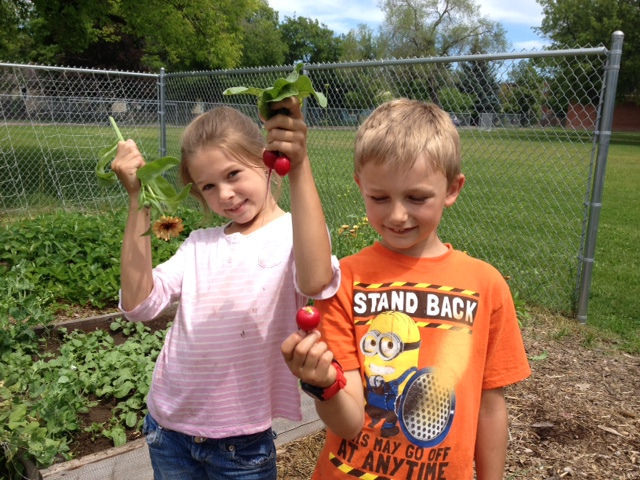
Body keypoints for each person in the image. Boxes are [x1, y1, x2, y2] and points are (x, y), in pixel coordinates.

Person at [281, 98, 531, 480]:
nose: (397, 215)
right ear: (360, 185)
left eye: (416, 197)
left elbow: (489, 406)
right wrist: (324, 384)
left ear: (452, 188)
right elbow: (348, 424)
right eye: (379, 198)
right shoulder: (343, 281)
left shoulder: (487, 285)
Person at [110, 96, 340, 480]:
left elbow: (316, 280)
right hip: (168, 430)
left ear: (266, 158)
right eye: (209, 186)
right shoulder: (199, 244)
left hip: (241, 445)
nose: (225, 195)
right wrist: (138, 198)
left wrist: (298, 164)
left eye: (233, 174)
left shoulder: (293, 236)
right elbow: (139, 305)